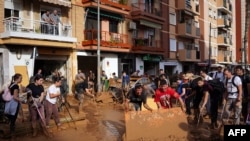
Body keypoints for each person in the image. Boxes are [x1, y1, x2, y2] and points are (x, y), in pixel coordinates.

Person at [4, 73, 22, 140]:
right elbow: (15, 97)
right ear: (17, 79)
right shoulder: (16, 86)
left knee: (11, 118)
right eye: (20, 78)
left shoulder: (11, 84)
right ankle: (12, 136)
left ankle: (11, 133)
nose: (21, 79)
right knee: (13, 120)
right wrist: (22, 100)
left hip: (9, 103)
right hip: (14, 104)